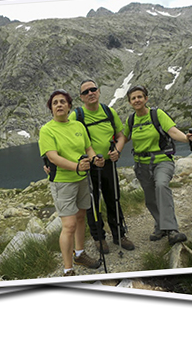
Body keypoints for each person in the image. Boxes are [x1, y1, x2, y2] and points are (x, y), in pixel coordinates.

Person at [38, 89, 105, 276]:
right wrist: (76, 167)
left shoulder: (78, 126)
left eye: (62, 102)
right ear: (51, 109)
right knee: (69, 225)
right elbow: (53, 157)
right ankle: (68, 270)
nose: (59, 105)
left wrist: (94, 160)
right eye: (55, 103)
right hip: (62, 182)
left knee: (81, 217)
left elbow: (88, 148)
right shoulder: (47, 130)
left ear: (69, 106)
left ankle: (80, 253)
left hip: (82, 179)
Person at [123, 85, 192, 245]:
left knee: (162, 186)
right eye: (133, 98)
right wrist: (115, 150)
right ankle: (160, 226)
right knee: (150, 199)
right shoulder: (130, 120)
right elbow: (123, 138)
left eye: (140, 97)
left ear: (146, 99)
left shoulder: (157, 114)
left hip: (162, 161)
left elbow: (172, 131)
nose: (137, 100)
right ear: (130, 102)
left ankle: (171, 229)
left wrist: (187, 139)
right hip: (141, 165)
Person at [68, 79, 135, 254]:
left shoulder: (108, 111)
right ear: (81, 97)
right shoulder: (77, 116)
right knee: (92, 203)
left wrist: (117, 151)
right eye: (86, 92)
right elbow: (68, 140)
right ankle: (99, 238)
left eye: (93, 89)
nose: (90, 93)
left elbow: (121, 136)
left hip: (108, 164)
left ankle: (119, 234)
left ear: (98, 92)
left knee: (114, 199)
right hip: (89, 168)